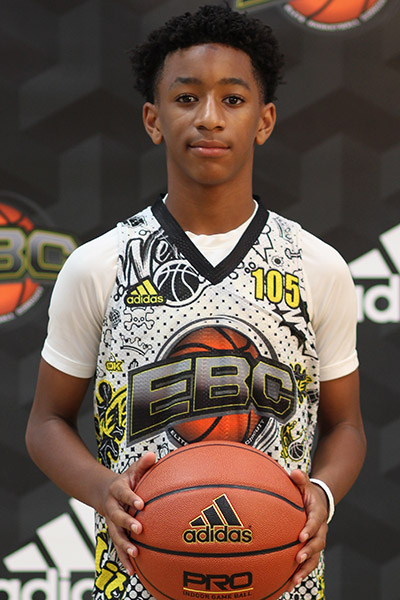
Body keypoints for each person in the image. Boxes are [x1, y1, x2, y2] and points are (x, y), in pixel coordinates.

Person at [26, 4, 366, 600]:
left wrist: (323, 493)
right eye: (186, 98)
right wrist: (103, 490)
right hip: (136, 582)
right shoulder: (100, 265)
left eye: (232, 99)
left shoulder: (317, 266)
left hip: (280, 581)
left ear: (264, 121)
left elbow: (347, 426)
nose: (209, 117)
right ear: (153, 119)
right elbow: (45, 423)